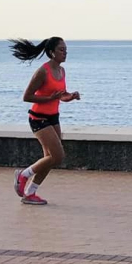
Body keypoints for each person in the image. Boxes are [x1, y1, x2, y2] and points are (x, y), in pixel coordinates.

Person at [9, 36, 79, 205]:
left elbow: (60, 95)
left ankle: (30, 193)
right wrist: (49, 98)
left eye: (66, 50)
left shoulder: (62, 71)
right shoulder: (43, 71)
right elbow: (27, 96)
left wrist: (70, 96)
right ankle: (23, 175)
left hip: (53, 117)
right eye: (61, 50)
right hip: (38, 118)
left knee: (50, 158)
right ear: (51, 52)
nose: (65, 53)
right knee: (58, 156)